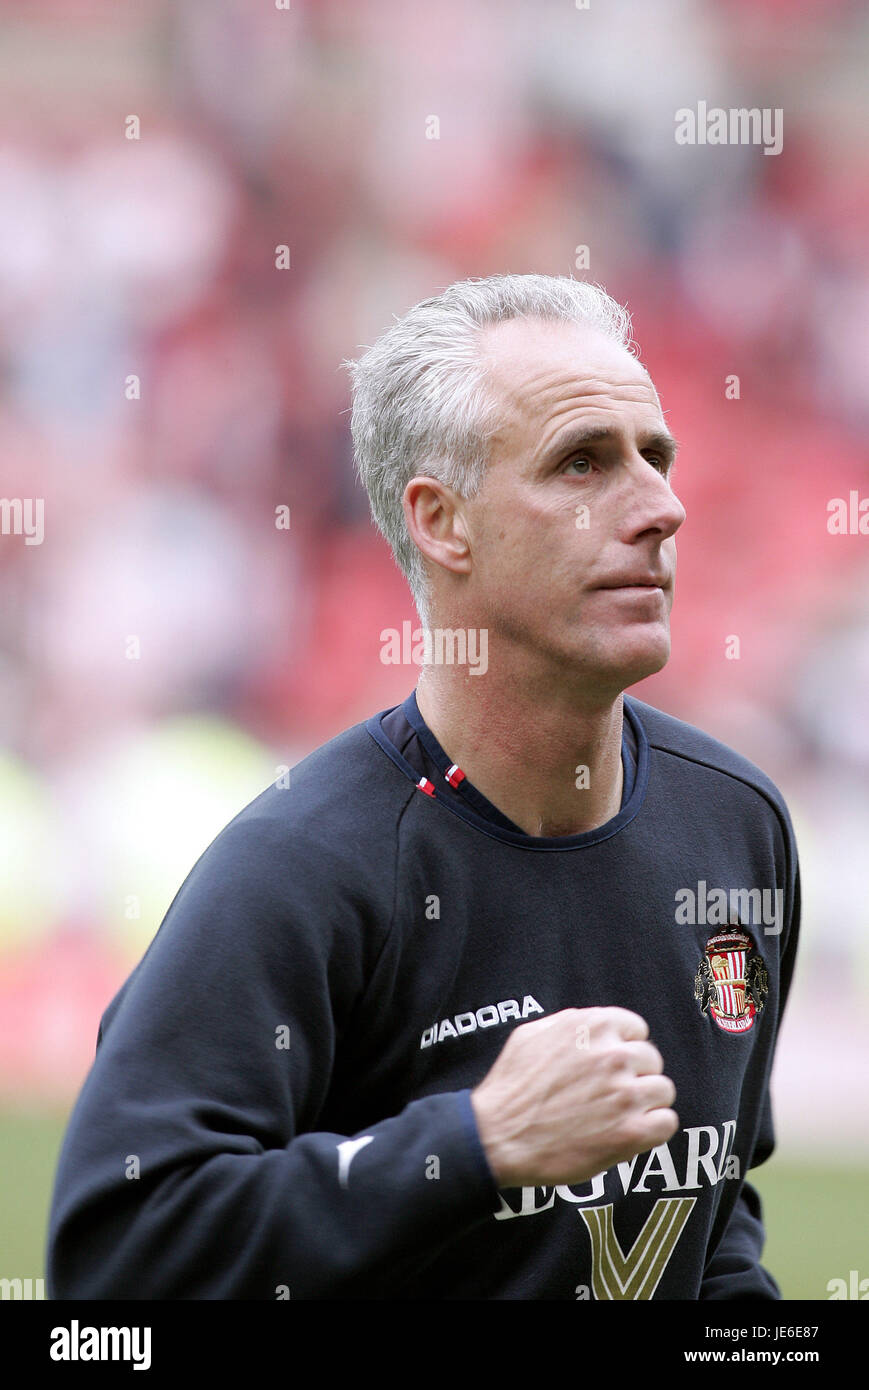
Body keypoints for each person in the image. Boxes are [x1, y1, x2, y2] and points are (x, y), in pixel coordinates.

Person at [47, 274, 800, 1300]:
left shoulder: (734, 825)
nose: (660, 508)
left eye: (654, 457)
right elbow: (115, 1258)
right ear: (442, 522)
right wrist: (473, 1142)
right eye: (582, 462)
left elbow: (710, 1218)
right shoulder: (299, 870)